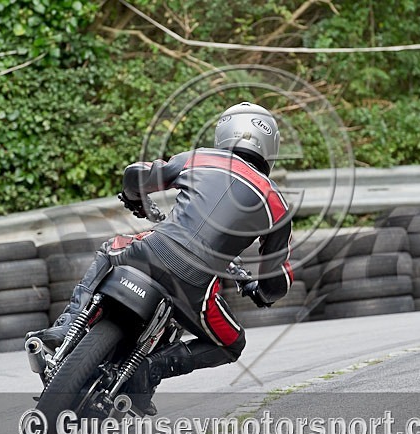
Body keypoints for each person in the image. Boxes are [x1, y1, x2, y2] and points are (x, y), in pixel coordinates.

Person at [28, 102, 294, 415]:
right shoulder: (277, 205)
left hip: (150, 253)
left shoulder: (201, 158)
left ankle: (65, 328)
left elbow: (136, 175)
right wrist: (261, 292)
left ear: (224, 132)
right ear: (270, 146)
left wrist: (136, 200)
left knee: (112, 247)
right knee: (231, 343)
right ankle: (149, 370)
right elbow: (277, 280)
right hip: (195, 286)